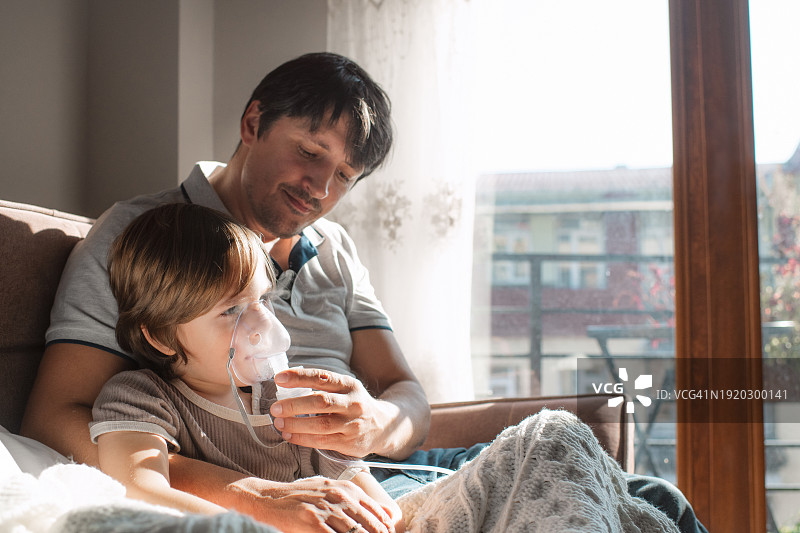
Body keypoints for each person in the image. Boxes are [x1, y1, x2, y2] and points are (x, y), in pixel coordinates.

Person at [21, 51, 707, 533]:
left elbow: (404, 392)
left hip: (371, 466)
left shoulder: (336, 248)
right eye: (311, 152)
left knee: (652, 498)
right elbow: (57, 415)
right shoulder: (139, 238)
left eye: (344, 174)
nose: (320, 188)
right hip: (297, 484)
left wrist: (375, 422)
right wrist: (250, 492)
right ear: (253, 122)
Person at [94, 203, 402, 532]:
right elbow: (139, 489)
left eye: (264, 299)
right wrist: (266, 516)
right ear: (159, 335)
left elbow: (379, 508)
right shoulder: (141, 399)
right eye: (232, 310)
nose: (263, 322)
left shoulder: (292, 401)